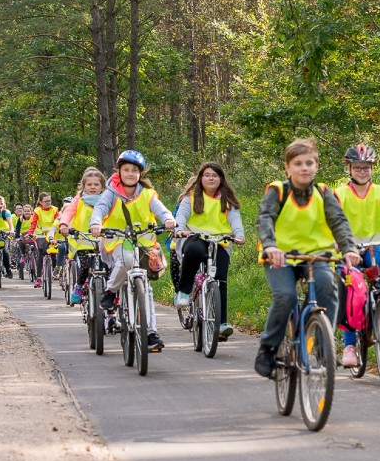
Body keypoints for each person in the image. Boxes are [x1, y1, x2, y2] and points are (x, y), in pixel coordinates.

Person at [253, 138, 361, 378]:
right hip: (280, 257)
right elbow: (265, 218)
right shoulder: (277, 191)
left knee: (328, 286)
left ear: (316, 167)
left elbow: (339, 222)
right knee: (286, 296)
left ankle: (323, 345)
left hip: (317, 256)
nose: (304, 168)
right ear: (288, 168)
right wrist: (270, 246)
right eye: (298, 163)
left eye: (309, 163)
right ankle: (268, 348)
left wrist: (349, 248)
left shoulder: (324, 193)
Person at [90, 150, 176, 351]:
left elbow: (160, 210)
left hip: (143, 242)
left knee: (146, 287)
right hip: (117, 240)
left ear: (140, 174)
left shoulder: (147, 193)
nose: (130, 173)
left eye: (134, 170)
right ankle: (111, 291)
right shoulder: (111, 192)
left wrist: (168, 219)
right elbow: (100, 209)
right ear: (119, 171)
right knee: (126, 258)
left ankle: (150, 333)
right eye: (126, 170)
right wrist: (95, 224)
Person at [334, 144, 380, 368]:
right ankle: (349, 347)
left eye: (366, 167)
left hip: (374, 246)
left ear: (372, 168)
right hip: (347, 250)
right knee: (352, 290)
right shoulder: (340, 194)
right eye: (358, 167)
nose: (362, 171)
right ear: (349, 168)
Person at [173, 162, 246, 340]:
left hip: (219, 241)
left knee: (221, 279)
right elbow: (181, 215)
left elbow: (235, 219)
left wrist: (239, 234)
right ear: (201, 178)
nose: (211, 178)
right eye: (207, 175)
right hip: (195, 237)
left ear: (221, 179)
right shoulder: (190, 197)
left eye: (214, 175)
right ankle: (183, 290)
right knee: (195, 252)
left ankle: (221, 324)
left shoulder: (227, 199)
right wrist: (179, 229)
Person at [59, 167, 106, 305]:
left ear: (102, 186)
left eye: (96, 184)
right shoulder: (78, 199)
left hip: (104, 239)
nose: (92, 187)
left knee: (109, 266)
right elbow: (69, 212)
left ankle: (110, 292)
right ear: (83, 186)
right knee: (85, 264)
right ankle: (79, 287)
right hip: (84, 239)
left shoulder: (108, 199)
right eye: (89, 185)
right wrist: (64, 224)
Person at [27, 193, 59, 288]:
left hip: (52, 236)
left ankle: (54, 272)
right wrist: (30, 233)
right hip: (40, 236)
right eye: (46, 201)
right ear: (41, 202)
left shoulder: (55, 210)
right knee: (41, 254)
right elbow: (33, 223)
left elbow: (58, 221)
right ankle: (39, 278)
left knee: (53, 253)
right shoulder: (37, 211)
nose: (48, 203)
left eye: (49, 201)